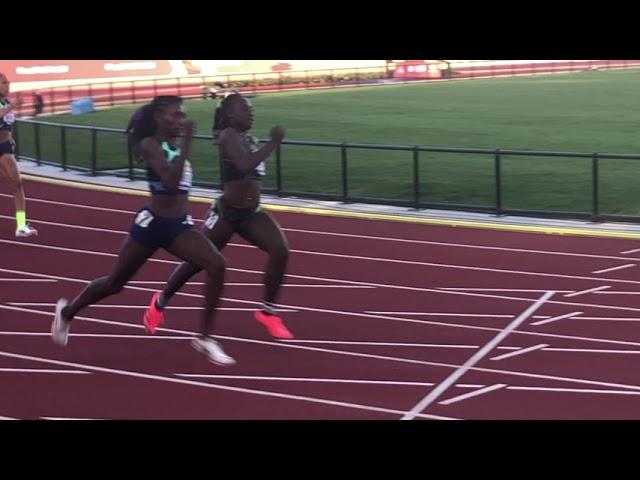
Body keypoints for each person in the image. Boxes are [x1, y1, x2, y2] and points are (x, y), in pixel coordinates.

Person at [52, 95, 235, 366]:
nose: (181, 120)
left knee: (217, 265)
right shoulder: (151, 145)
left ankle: (205, 338)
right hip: (152, 225)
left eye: (182, 115)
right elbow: (171, 181)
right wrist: (186, 145)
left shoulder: (172, 143)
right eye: (175, 115)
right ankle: (67, 312)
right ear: (159, 117)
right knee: (115, 283)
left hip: (178, 227)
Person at [143, 92, 293, 340]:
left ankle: (268, 312)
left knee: (281, 250)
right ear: (230, 114)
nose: (251, 112)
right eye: (245, 109)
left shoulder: (246, 136)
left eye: (251, 108)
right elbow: (244, 164)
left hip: (251, 213)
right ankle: (160, 302)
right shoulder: (228, 135)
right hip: (226, 214)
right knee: (196, 263)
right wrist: (273, 143)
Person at [0, 73, 37, 238]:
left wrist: (10, 138)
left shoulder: (6, 102)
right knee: (16, 183)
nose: (7, 85)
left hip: (5, 148)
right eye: (3, 83)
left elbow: (6, 124)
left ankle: (21, 225)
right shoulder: (8, 104)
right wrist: (13, 105)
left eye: (8, 82)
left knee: (17, 183)